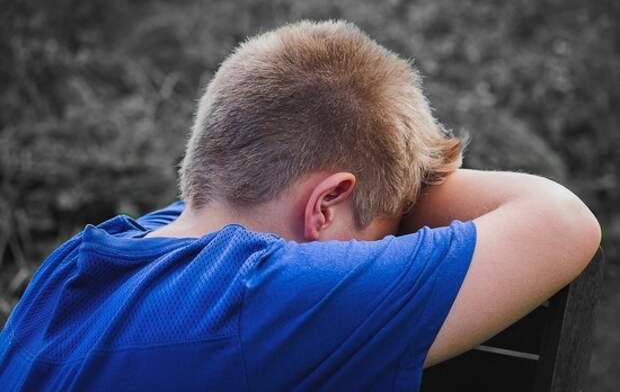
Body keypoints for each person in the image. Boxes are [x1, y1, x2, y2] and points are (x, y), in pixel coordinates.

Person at [0, 21, 601, 391]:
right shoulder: (265, 296)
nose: (372, 257)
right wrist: (413, 183)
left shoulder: (72, 266)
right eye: (380, 239)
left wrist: (388, 186)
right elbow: (562, 221)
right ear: (325, 205)